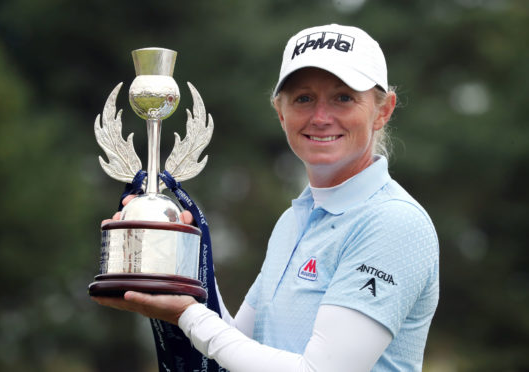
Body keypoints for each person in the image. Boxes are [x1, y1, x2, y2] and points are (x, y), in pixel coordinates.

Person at [93, 24, 439, 371]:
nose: (320, 117)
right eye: (303, 98)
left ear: (383, 110)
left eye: (343, 97)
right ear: (280, 111)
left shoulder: (394, 222)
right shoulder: (295, 219)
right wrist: (181, 265)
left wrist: (189, 314)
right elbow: (238, 345)